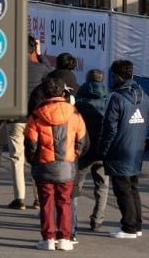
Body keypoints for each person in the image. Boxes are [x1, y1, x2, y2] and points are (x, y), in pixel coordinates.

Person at [25, 78, 87, 251]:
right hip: (66, 166)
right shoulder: (74, 113)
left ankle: (48, 239)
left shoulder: (36, 115)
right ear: (63, 92)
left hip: (44, 165)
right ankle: (65, 239)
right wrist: (73, 155)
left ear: (44, 93)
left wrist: (34, 160)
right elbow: (81, 139)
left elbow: (30, 144)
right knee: (64, 202)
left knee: (46, 203)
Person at [99, 60, 149, 239]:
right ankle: (137, 225)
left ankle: (128, 227)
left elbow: (109, 128)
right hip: (136, 149)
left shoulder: (116, 97)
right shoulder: (144, 95)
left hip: (119, 150)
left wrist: (103, 150)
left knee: (122, 190)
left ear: (117, 76)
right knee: (133, 188)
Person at [7, 35, 52, 210]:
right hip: (35, 119)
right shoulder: (40, 68)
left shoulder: (9, 68)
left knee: (16, 157)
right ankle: (38, 198)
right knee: (36, 157)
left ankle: (19, 198)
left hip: (15, 118)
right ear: (33, 50)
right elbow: (50, 70)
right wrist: (40, 54)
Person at [71, 69, 111, 241]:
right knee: (102, 186)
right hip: (102, 152)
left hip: (83, 152)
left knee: (75, 187)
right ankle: (97, 220)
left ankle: (72, 221)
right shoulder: (110, 99)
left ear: (86, 81)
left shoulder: (78, 101)